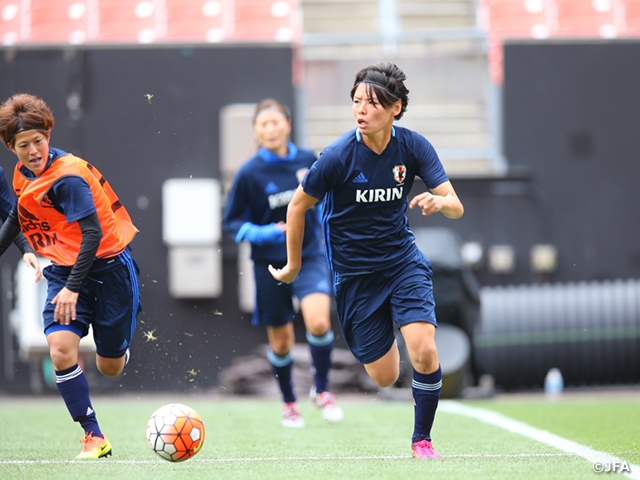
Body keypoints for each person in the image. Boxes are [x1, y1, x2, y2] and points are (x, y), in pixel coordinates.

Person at [269, 63, 464, 458]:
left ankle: (421, 440)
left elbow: (456, 207)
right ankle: (388, 328)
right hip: (355, 277)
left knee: (424, 349)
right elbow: (296, 207)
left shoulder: (413, 147)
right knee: (386, 375)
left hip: (402, 263)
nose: (361, 110)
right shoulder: (338, 156)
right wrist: (293, 265)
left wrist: (440, 201)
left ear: (395, 108)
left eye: (371, 103)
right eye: (356, 101)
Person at [0, 93, 141, 459]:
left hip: (109, 270)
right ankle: (94, 436)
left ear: (49, 134)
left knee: (108, 367)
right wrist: (63, 283)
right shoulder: (22, 175)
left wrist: (72, 291)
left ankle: (119, 350)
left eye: (39, 141)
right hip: (65, 271)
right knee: (61, 350)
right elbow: (17, 217)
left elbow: (92, 235)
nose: (33, 151)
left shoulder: (68, 177)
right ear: (10, 147)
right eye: (23, 145)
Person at [222, 98, 343, 428]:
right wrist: (264, 234)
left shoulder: (307, 160)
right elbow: (231, 222)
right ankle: (289, 402)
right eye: (263, 124)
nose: (270, 129)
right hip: (269, 265)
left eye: (276, 122)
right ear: (255, 131)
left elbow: (327, 200)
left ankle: (322, 391)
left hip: (310, 256)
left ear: (287, 124)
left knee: (318, 322)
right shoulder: (249, 173)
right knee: (282, 342)